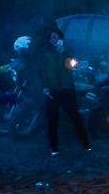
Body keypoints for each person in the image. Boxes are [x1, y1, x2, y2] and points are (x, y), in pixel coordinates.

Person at [39, 28, 91, 156]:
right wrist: (44, 86)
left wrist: (64, 53)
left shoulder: (66, 49)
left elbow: (73, 66)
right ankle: (54, 148)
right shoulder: (44, 52)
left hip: (67, 88)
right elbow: (42, 71)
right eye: (53, 38)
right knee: (52, 119)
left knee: (75, 116)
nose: (55, 40)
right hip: (52, 89)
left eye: (57, 38)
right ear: (49, 39)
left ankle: (86, 145)